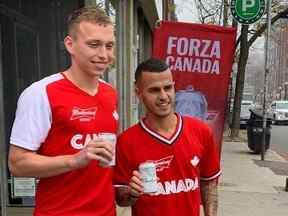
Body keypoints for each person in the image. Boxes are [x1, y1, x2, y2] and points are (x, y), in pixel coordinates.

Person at [8, 6, 118, 216]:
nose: (104, 54)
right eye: (94, 45)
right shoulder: (41, 93)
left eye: (109, 46)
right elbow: (17, 163)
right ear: (70, 44)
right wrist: (74, 160)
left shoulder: (110, 93)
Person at [114, 58, 221, 216]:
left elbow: (209, 182)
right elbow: (120, 198)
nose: (164, 96)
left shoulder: (201, 131)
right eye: (154, 90)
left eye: (168, 88)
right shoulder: (126, 142)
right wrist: (132, 192)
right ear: (138, 93)